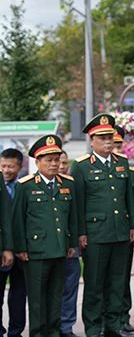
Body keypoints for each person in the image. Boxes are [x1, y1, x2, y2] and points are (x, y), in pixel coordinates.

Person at [71, 114, 134, 337]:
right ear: (92, 140)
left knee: (118, 283)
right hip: (96, 234)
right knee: (95, 285)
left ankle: (115, 325)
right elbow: (78, 203)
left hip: (120, 232)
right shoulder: (81, 166)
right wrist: (80, 233)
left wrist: (133, 227)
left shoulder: (122, 162)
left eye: (110, 137)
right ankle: (93, 327)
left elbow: (129, 198)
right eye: (102, 138)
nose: (108, 141)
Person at [11, 135, 78, 337]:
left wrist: (72, 243)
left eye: (56, 159)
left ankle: (53, 332)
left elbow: (72, 217)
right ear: (37, 162)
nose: (54, 164)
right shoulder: (26, 186)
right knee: (38, 300)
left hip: (59, 249)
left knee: (56, 296)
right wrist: (21, 248)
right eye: (48, 160)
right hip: (36, 252)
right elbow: (17, 220)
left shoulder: (67, 184)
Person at [113, 125, 134, 334]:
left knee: (123, 280)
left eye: (118, 144)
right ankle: (110, 321)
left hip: (124, 232)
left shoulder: (127, 170)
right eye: (112, 144)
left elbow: (133, 203)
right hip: (103, 234)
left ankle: (123, 317)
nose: (115, 147)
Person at [0, 148, 26, 337]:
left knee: (18, 294)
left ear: (19, 166)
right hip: (2, 249)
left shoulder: (25, 186)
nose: (6, 170)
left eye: (11, 166)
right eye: (3, 166)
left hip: (23, 250)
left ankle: (15, 331)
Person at [57, 150, 81, 337]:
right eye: (57, 162)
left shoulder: (72, 185)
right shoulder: (31, 185)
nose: (61, 166)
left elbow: (76, 217)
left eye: (64, 162)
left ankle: (66, 327)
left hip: (71, 248)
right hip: (46, 249)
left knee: (70, 288)